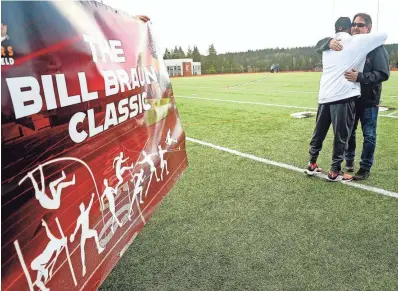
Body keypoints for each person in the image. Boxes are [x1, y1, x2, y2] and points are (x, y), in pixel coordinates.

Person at [305, 17, 387, 181]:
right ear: (349, 28)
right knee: (346, 134)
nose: (356, 28)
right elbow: (319, 45)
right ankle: (340, 167)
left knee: (367, 134)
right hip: (347, 97)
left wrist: (360, 77)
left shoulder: (373, 46)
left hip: (367, 99)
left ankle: (364, 167)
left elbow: (383, 73)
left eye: (360, 25)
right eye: (354, 25)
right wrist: (328, 41)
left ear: (369, 28)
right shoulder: (343, 43)